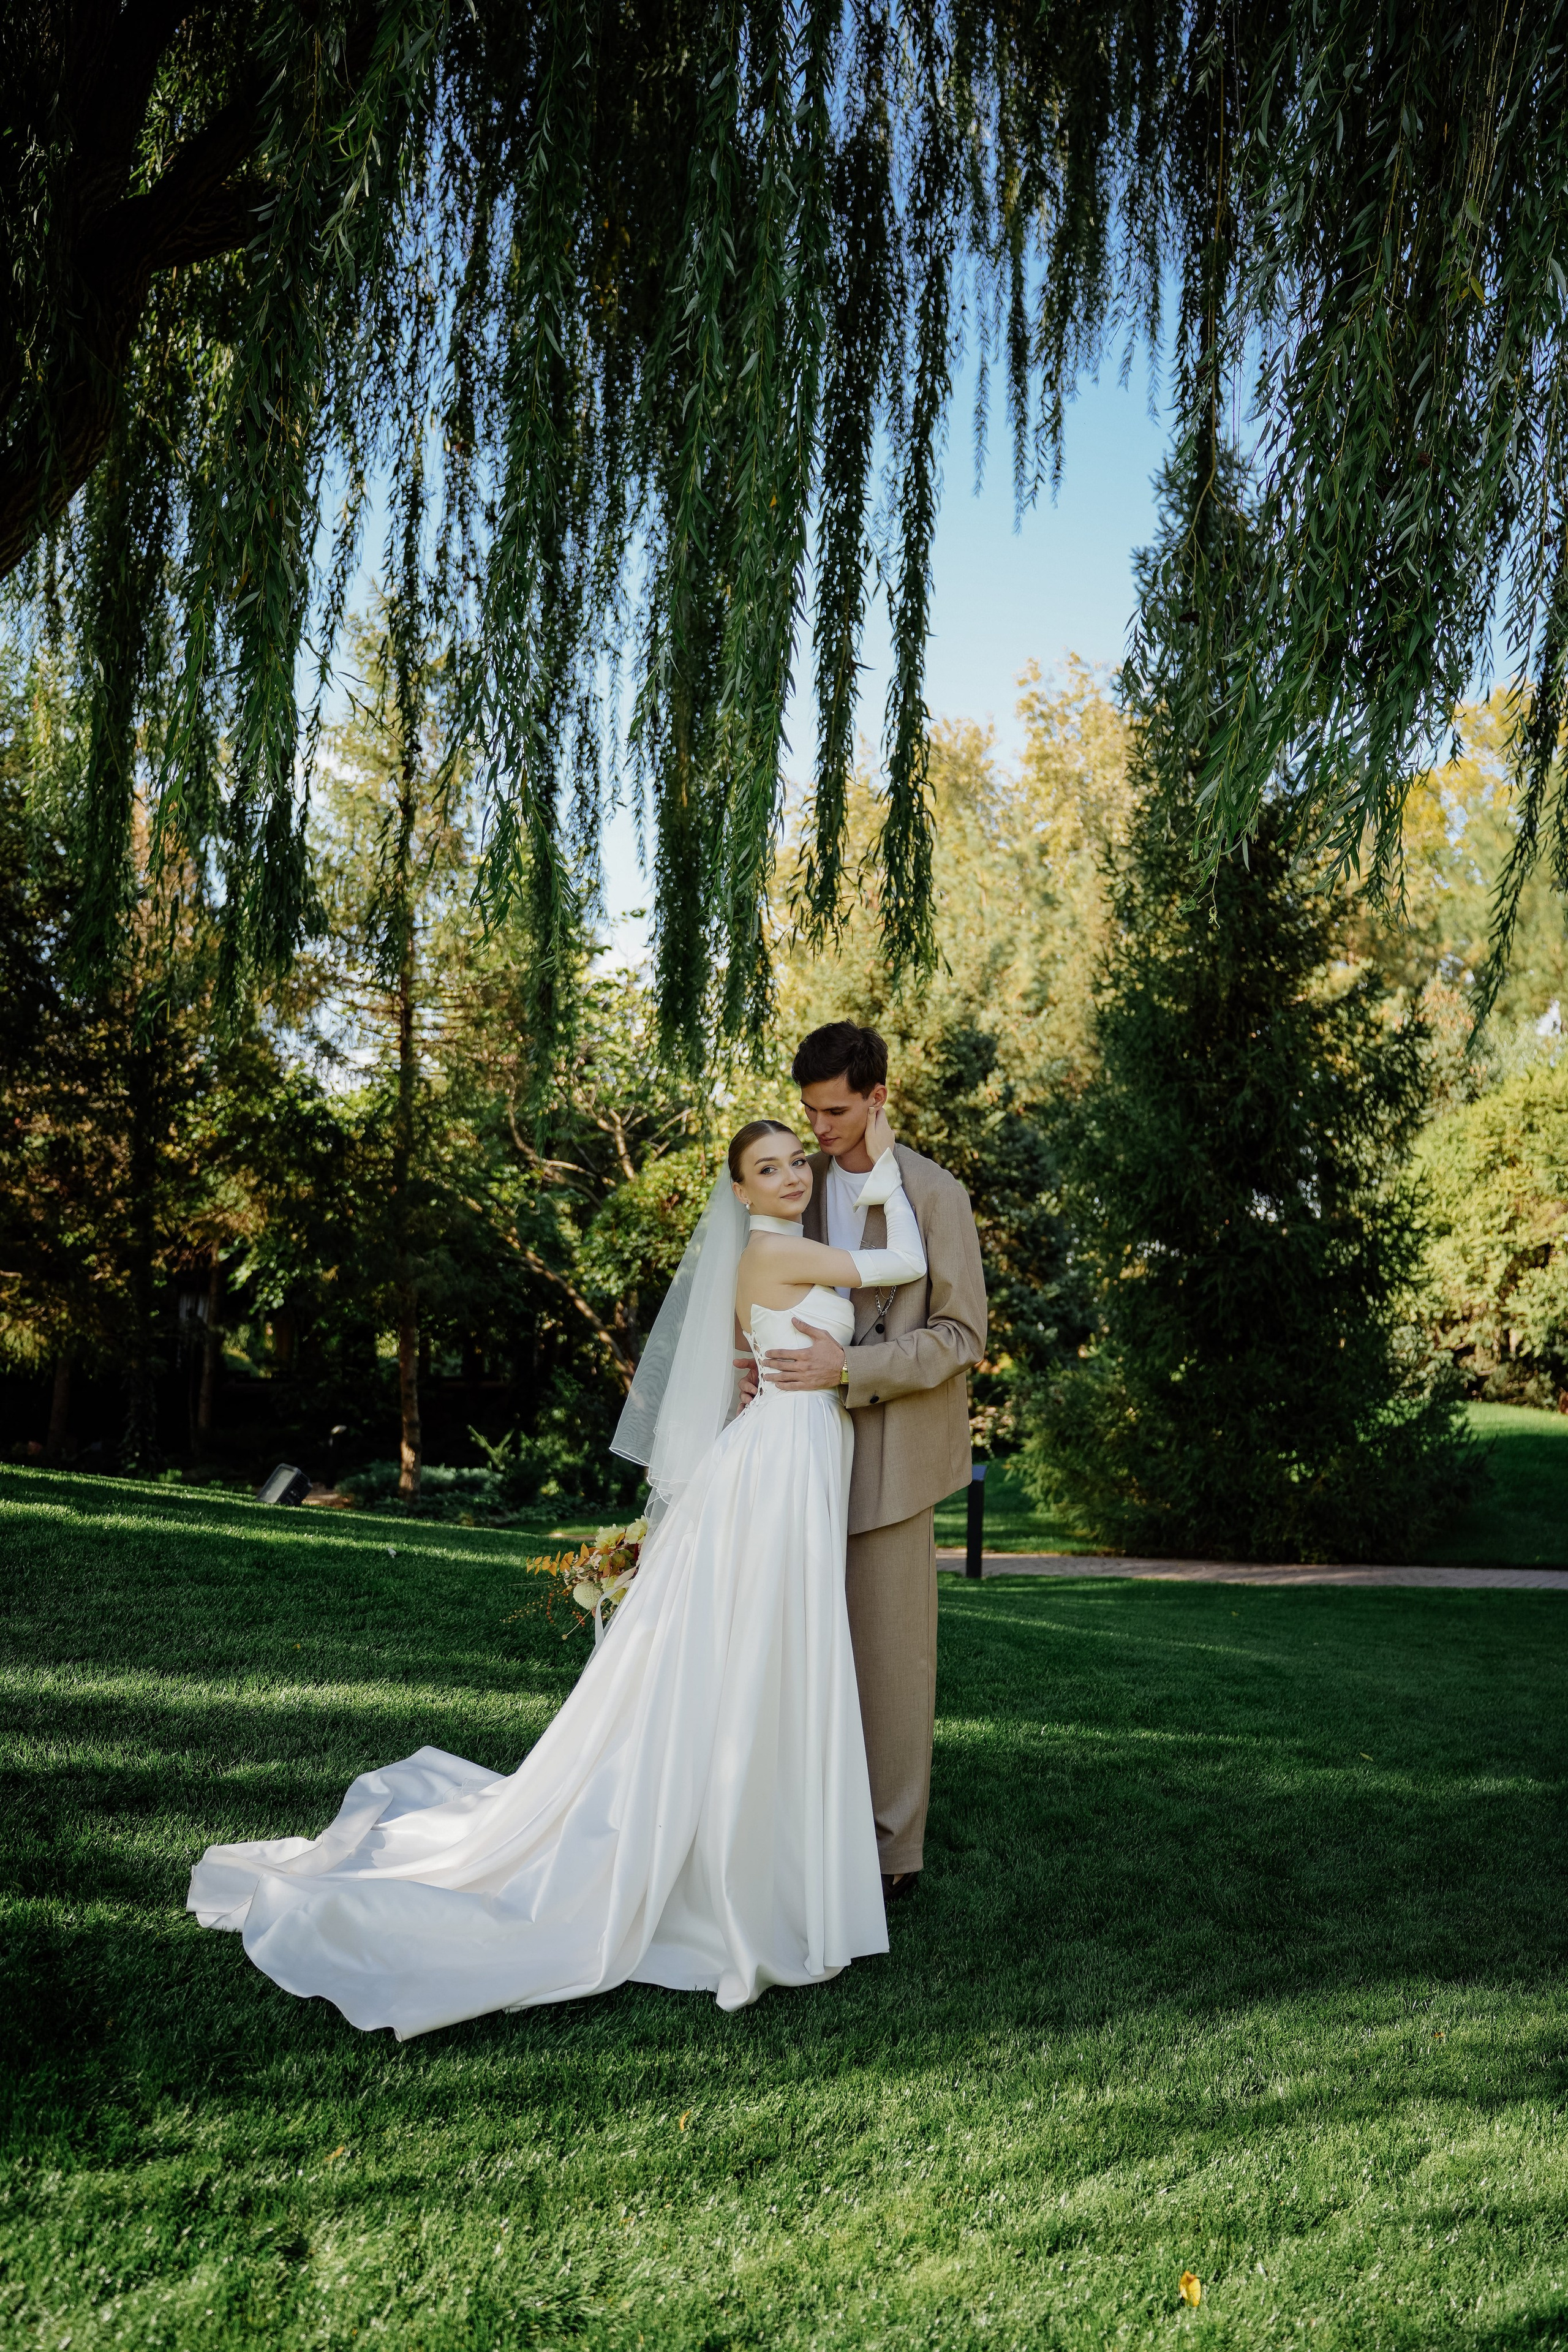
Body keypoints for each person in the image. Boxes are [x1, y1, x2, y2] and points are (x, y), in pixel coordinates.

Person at [186, 1110, 928, 2040]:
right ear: (739, 1193)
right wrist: (886, 1165)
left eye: (795, 1164)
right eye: (767, 1169)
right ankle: (754, 1868)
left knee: (769, 1650)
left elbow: (766, 1353)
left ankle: (772, 1849)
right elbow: (903, 1263)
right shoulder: (780, 1254)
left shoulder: (781, 1257)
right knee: (766, 1648)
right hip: (780, 1464)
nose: (788, 1177)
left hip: (788, 1450)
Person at [744, 1022, 986, 1902]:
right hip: (793, 1451)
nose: (819, 1130)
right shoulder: (792, 1186)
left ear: (878, 1096)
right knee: (791, 1644)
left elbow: (962, 1335)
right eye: (810, 1111)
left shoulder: (934, 1193)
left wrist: (849, 1369)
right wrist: (750, 1365)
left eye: (837, 1110)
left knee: (888, 1659)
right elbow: (763, 1293)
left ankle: (890, 1859)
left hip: (890, 1457)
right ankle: (796, 1828)